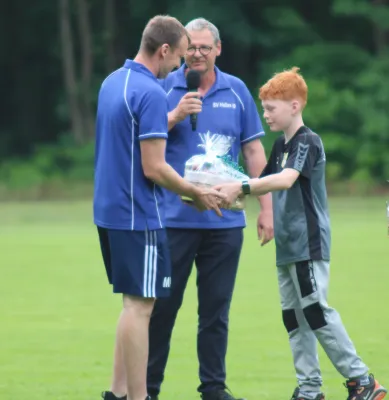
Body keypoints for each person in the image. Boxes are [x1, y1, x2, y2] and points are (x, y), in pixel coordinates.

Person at [215, 67, 387, 400]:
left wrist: (242, 186)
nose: (265, 115)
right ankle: (309, 389)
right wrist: (211, 187)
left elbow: (285, 179)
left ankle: (362, 381)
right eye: (263, 108)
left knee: (316, 311)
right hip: (287, 245)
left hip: (309, 243)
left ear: (295, 106)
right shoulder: (280, 145)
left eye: (271, 108)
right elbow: (256, 185)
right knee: (294, 318)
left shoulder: (307, 141)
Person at [93, 15, 225, 400]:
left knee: (130, 304)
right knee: (141, 308)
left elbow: (130, 136)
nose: (182, 66)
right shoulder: (151, 91)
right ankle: (139, 397)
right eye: (180, 57)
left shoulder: (112, 82)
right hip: (138, 214)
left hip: (108, 211)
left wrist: (173, 116)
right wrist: (196, 192)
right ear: (164, 49)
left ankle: (117, 393)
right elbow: (154, 167)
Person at [147, 18, 274, 400]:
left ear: (219, 49)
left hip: (225, 222)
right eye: (192, 47)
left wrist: (266, 208)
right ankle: (148, 389)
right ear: (181, 49)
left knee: (215, 315)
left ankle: (214, 389)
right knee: (161, 311)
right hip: (173, 221)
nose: (198, 53)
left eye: (205, 47)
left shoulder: (236, 91)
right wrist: (176, 115)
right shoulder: (163, 88)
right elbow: (143, 142)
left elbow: (253, 151)